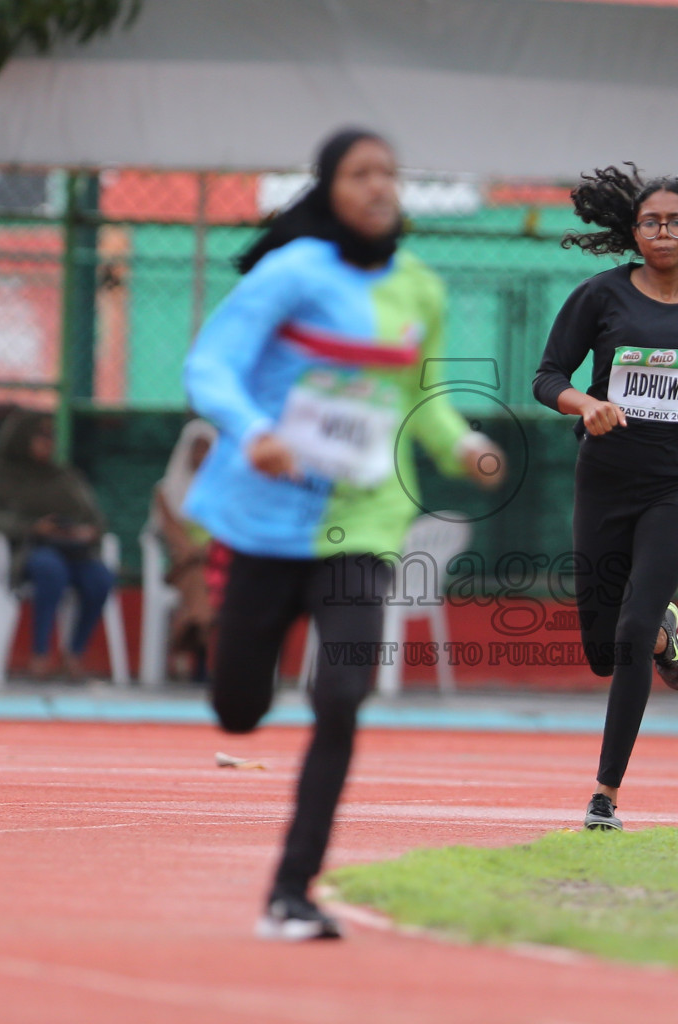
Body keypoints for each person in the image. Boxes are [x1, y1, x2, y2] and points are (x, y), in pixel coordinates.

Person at [184, 127, 505, 941]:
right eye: (361, 174)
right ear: (330, 188)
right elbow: (210, 365)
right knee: (238, 711)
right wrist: (253, 428)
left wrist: (464, 446)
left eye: (389, 174)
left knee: (342, 697)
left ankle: (293, 892)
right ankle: (235, 678)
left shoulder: (420, 290)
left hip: (361, 523)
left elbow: (422, 400)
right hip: (265, 521)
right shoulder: (290, 274)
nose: (379, 187)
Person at [532, 165, 678, 832]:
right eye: (652, 221)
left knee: (629, 628)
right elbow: (547, 377)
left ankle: (604, 794)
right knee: (606, 649)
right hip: (604, 479)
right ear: (636, 231)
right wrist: (586, 404)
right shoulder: (601, 297)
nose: (664, 231)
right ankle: (660, 634)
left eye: (676, 221)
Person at [0, 410, 115, 680]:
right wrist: (32, 527)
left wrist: (83, 532)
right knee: (51, 569)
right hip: (23, 552)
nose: (48, 442)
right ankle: (40, 654)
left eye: (52, 436)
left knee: (100, 578)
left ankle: (74, 653)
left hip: (73, 551)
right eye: (41, 436)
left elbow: (96, 519)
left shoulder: (64, 476)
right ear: (22, 438)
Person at [150, 418, 218, 682]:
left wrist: (209, 551)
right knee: (199, 577)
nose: (200, 455)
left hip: (217, 562)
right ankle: (199, 657)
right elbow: (170, 531)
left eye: (206, 448)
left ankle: (185, 643)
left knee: (205, 576)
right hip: (181, 565)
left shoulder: (225, 492)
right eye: (196, 448)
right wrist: (195, 551)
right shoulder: (166, 492)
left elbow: (229, 529)